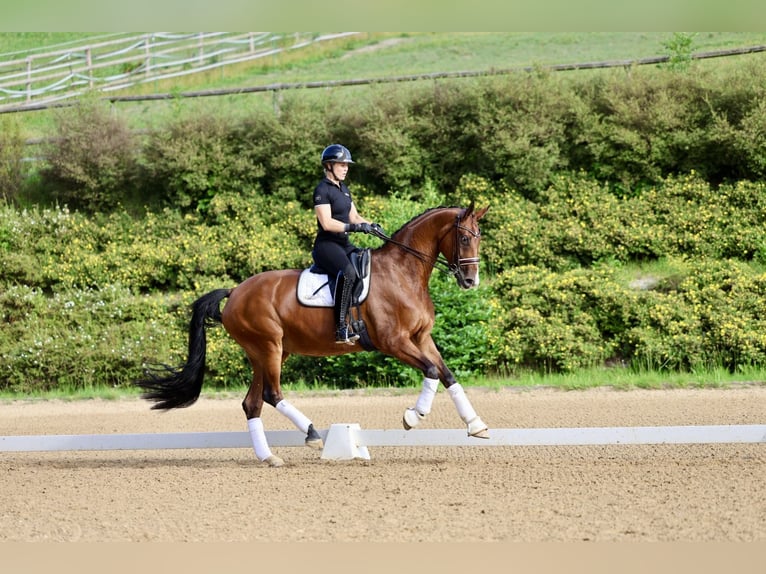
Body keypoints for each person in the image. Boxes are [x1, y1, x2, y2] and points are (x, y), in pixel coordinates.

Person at [312, 144, 382, 344]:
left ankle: (359, 319)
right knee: (349, 272)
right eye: (342, 165)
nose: (346, 168)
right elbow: (326, 223)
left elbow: (354, 216)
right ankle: (341, 327)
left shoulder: (344, 189)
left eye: (347, 165)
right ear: (329, 165)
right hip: (326, 246)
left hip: (343, 244)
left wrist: (372, 225)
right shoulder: (322, 190)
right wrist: (354, 229)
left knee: (366, 264)